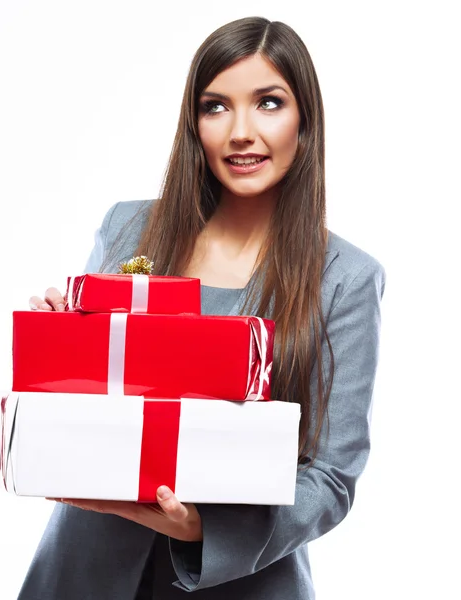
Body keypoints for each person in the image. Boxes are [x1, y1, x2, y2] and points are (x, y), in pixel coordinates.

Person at [22, 16, 385, 600]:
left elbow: (332, 478)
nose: (241, 131)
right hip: (81, 572)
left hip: (240, 581)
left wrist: (201, 528)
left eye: (268, 102)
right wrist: (60, 338)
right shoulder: (128, 227)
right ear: (194, 124)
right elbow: (84, 405)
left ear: (305, 119)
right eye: (216, 107)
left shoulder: (345, 277)